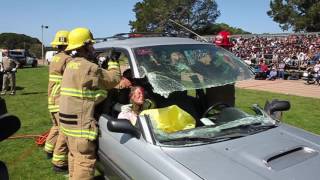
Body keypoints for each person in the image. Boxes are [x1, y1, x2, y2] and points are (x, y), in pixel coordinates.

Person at [58, 27, 120, 180]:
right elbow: (113, 79)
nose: (93, 47)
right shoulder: (89, 68)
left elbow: (84, 91)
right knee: (85, 162)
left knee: (74, 156)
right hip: (80, 128)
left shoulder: (71, 65)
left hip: (66, 124)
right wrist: (113, 63)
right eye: (90, 45)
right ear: (84, 46)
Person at [44, 30, 71, 173]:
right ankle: (59, 163)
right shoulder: (67, 59)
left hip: (52, 98)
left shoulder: (55, 57)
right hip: (60, 99)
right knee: (64, 131)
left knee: (55, 127)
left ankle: (48, 150)